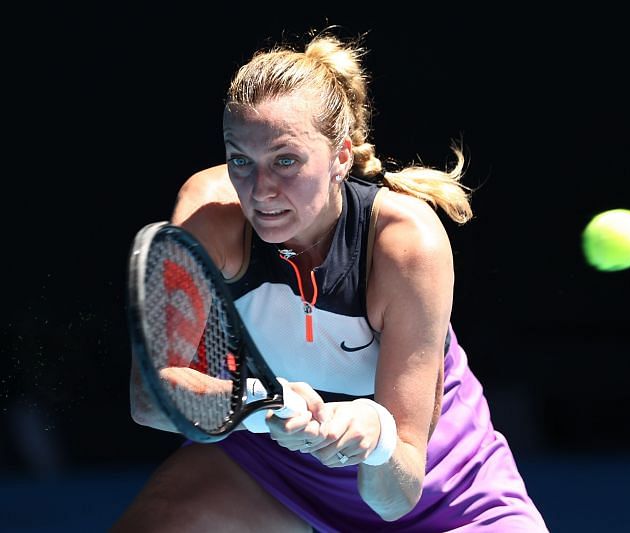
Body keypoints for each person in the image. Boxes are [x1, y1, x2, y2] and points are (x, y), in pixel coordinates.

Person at [112, 28, 549, 532]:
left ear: (341, 156)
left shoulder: (406, 242)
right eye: (241, 161)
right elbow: (151, 399)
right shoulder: (212, 215)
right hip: (267, 475)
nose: (261, 190)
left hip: (447, 499)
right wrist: (260, 403)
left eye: (286, 160)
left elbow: (396, 494)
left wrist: (376, 433)